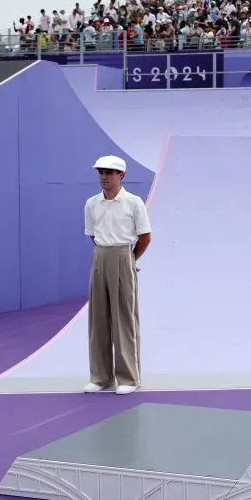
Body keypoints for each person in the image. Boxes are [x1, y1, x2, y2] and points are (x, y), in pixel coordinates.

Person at [83, 155, 152, 395]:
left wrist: (129, 259)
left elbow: (145, 236)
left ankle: (128, 378)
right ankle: (101, 377)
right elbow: (93, 234)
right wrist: (105, 253)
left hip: (124, 254)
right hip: (100, 256)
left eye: (109, 172)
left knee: (124, 317)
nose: (104, 177)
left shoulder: (133, 203)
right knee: (98, 318)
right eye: (101, 172)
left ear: (121, 175)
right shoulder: (91, 204)